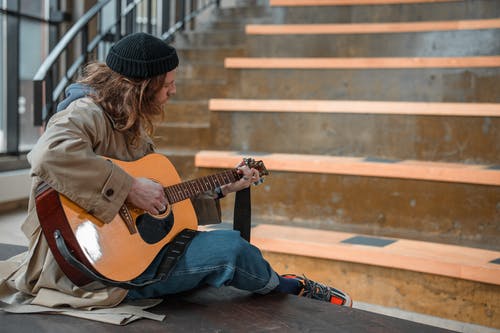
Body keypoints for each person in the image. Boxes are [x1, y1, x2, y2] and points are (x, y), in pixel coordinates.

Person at [0, 33, 351, 321]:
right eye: (167, 84)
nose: (173, 90)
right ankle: (286, 288)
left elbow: (163, 196)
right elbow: (49, 154)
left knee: (219, 242)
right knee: (230, 251)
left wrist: (220, 188)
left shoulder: (130, 125)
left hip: (127, 255)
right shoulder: (85, 113)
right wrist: (130, 188)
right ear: (141, 86)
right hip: (86, 271)